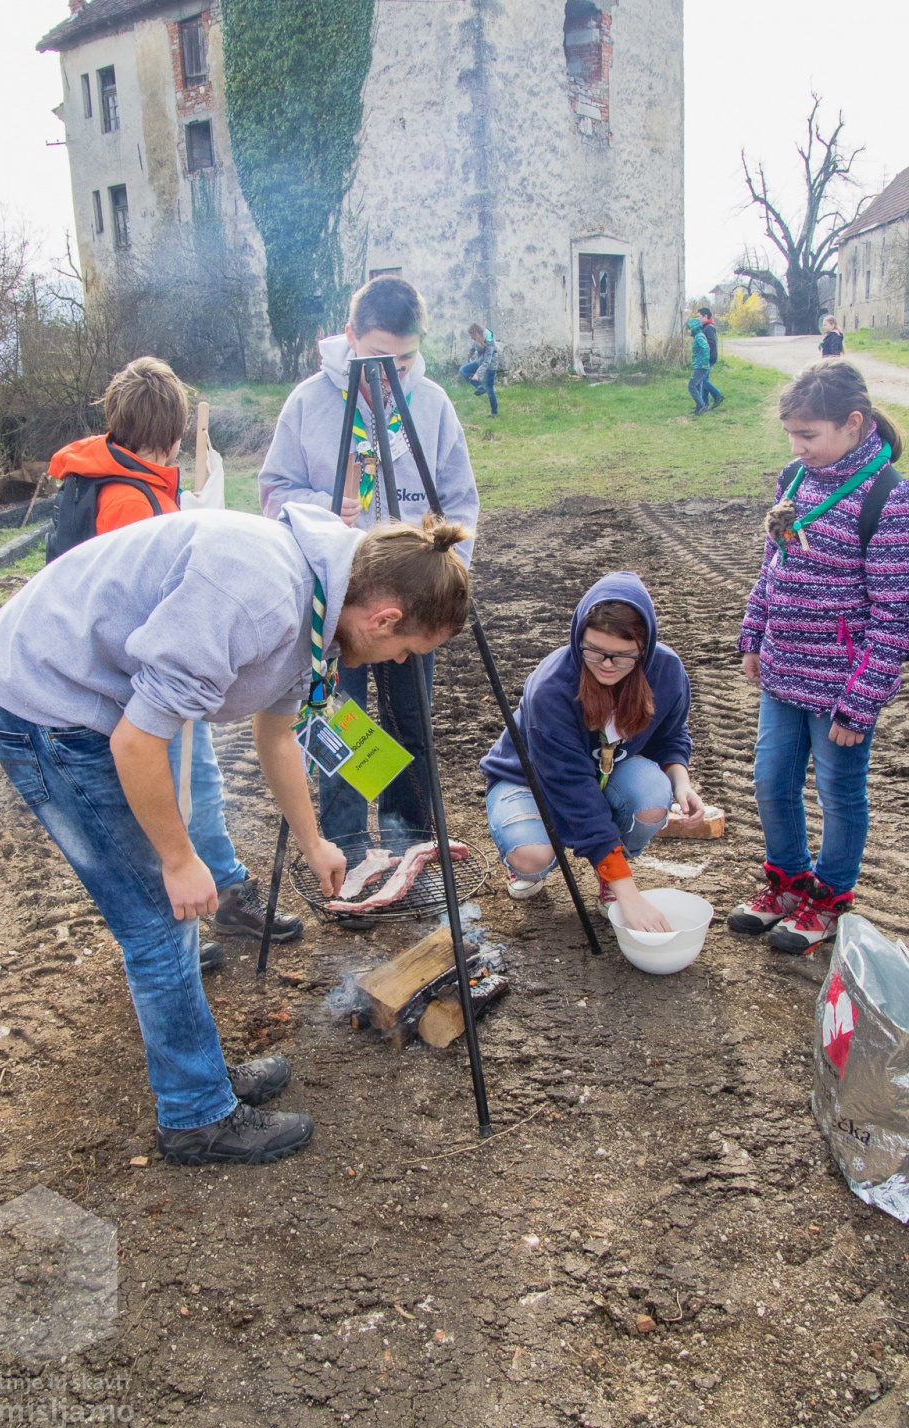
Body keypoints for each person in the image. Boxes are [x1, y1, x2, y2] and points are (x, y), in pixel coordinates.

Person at [0, 507, 470, 1164]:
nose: (401, 659)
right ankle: (194, 1116)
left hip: (103, 704)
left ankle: (202, 1076)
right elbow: (137, 740)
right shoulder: (258, 597)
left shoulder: (325, 600)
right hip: (48, 704)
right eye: (406, 649)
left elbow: (278, 735)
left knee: (167, 917)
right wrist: (180, 860)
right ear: (382, 619)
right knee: (158, 920)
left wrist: (315, 839)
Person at [48, 357, 303, 960]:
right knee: (173, 788)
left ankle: (220, 888)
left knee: (203, 781)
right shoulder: (127, 500)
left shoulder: (97, 473)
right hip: (135, 679)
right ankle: (180, 913)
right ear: (170, 436)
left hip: (139, 672)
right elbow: (143, 599)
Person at [259, 276, 480, 862]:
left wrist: (447, 579)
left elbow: (459, 501)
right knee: (339, 719)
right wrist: (325, 507)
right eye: (382, 356)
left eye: (406, 357)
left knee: (413, 720)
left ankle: (410, 838)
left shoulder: (428, 401)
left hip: (413, 598)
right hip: (340, 600)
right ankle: (349, 845)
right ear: (351, 336)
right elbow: (274, 490)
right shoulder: (310, 400)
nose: (395, 370)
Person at [729, 360, 909, 954]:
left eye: (809, 435)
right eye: (790, 435)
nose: (797, 447)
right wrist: (755, 633)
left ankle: (829, 898)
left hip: (840, 689)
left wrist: (860, 705)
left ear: (853, 424)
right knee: (770, 780)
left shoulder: (887, 499)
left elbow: (894, 618)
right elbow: (772, 566)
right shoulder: (793, 479)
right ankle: (786, 883)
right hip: (783, 672)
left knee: (839, 793)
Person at [480, 573, 704, 933]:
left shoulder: (666, 670)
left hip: (609, 770)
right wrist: (630, 894)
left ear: (644, 649)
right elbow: (572, 787)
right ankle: (546, 859)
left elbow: (672, 735)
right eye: (593, 650)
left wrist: (680, 782)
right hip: (530, 779)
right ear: (577, 638)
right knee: (532, 856)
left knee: (651, 797)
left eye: (622, 657)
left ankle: (609, 875)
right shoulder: (551, 687)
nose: (606, 665)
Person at [459, 323, 499, 416]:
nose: (471, 338)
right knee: (463, 370)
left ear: (476, 334)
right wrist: (471, 352)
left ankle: (494, 413)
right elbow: (474, 344)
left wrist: (478, 374)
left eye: (471, 335)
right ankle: (479, 387)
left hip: (490, 364)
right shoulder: (478, 337)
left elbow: (487, 362)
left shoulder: (489, 340)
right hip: (479, 361)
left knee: (489, 389)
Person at [698, 307, 724, 409]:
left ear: (705, 316)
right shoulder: (705, 327)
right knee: (704, 379)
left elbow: (711, 342)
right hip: (706, 357)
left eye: (699, 316)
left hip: (708, 358)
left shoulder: (709, 327)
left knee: (702, 379)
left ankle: (717, 395)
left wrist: (704, 353)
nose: (698, 319)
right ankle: (705, 403)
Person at [686, 317, 711, 415]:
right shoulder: (698, 336)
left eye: (690, 328)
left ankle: (702, 405)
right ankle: (698, 406)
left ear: (694, 328)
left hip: (701, 366)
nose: (688, 331)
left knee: (691, 386)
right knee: (698, 386)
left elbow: (706, 348)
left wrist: (704, 362)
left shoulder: (699, 337)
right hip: (699, 365)